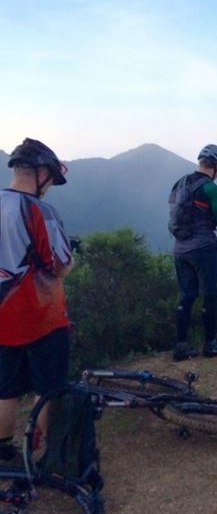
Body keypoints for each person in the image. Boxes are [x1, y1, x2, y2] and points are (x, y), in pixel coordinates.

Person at [0, 138, 73, 462]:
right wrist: (73, 260)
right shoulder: (39, 210)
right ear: (41, 172)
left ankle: (3, 449)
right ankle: (46, 454)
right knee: (49, 387)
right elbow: (58, 264)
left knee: (5, 387)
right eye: (52, 180)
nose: (51, 188)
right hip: (40, 316)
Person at [170, 144, 217, 361]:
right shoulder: (211, 189)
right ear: (216, 166)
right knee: (210, 296)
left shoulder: (179, 184)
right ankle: (211, 344)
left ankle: (181, 347)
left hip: (179, 249)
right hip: (204, 249)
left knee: (186, 296)